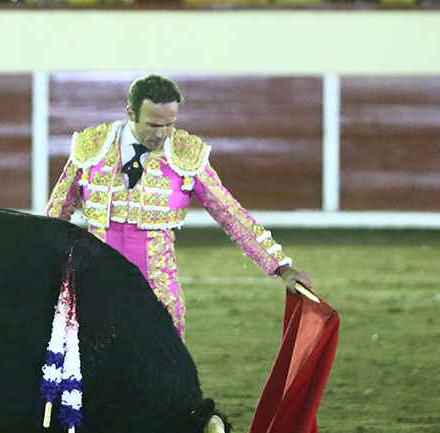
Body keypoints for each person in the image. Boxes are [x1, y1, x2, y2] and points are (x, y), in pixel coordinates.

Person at [45, 74, 311, 341]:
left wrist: (281, 267)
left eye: (169, 124)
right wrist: (36, 263)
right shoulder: (92, 147)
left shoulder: (186, 156)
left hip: (158, 290)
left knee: (163, 374)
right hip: (96, 285)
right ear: (131, 113)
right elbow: (57, 213)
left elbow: (231, 214)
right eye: (152, 125)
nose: (161, 134)